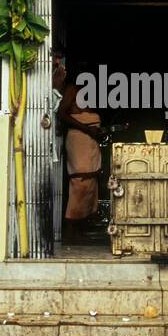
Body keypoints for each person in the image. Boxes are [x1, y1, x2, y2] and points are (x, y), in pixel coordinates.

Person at [56, 58, 103, 241]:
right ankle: (69, 228)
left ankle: (79, 230)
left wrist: (96, 132)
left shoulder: (88, 93)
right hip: (79, 139)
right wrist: (87, 129)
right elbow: (62, 114)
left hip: (91, 140)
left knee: (91, 180)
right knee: (80, 181)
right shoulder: (72, 89)